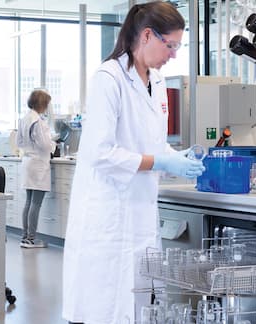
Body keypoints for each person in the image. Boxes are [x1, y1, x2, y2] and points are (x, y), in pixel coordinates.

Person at [62, 2, 205, 323]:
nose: (174, 54)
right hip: (108, 214)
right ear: (147, 35)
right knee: (105, 306)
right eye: (171, 45)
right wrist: (159, 161)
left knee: (139, 305)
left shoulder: (156, 83)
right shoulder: (108, 78)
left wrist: (171, 159)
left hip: (140, 211)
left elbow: (149, 147)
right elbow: (100, 152)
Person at [16, 89, 56, 248]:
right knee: (36, 203)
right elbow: (45, 145)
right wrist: (54, 144)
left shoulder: (25, 119)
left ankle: (25, 236)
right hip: (38, 164)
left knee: (29, 202)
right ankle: (31, 239)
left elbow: (19, 142)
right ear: (43, 104)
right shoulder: (38, 121)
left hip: (28, 161)